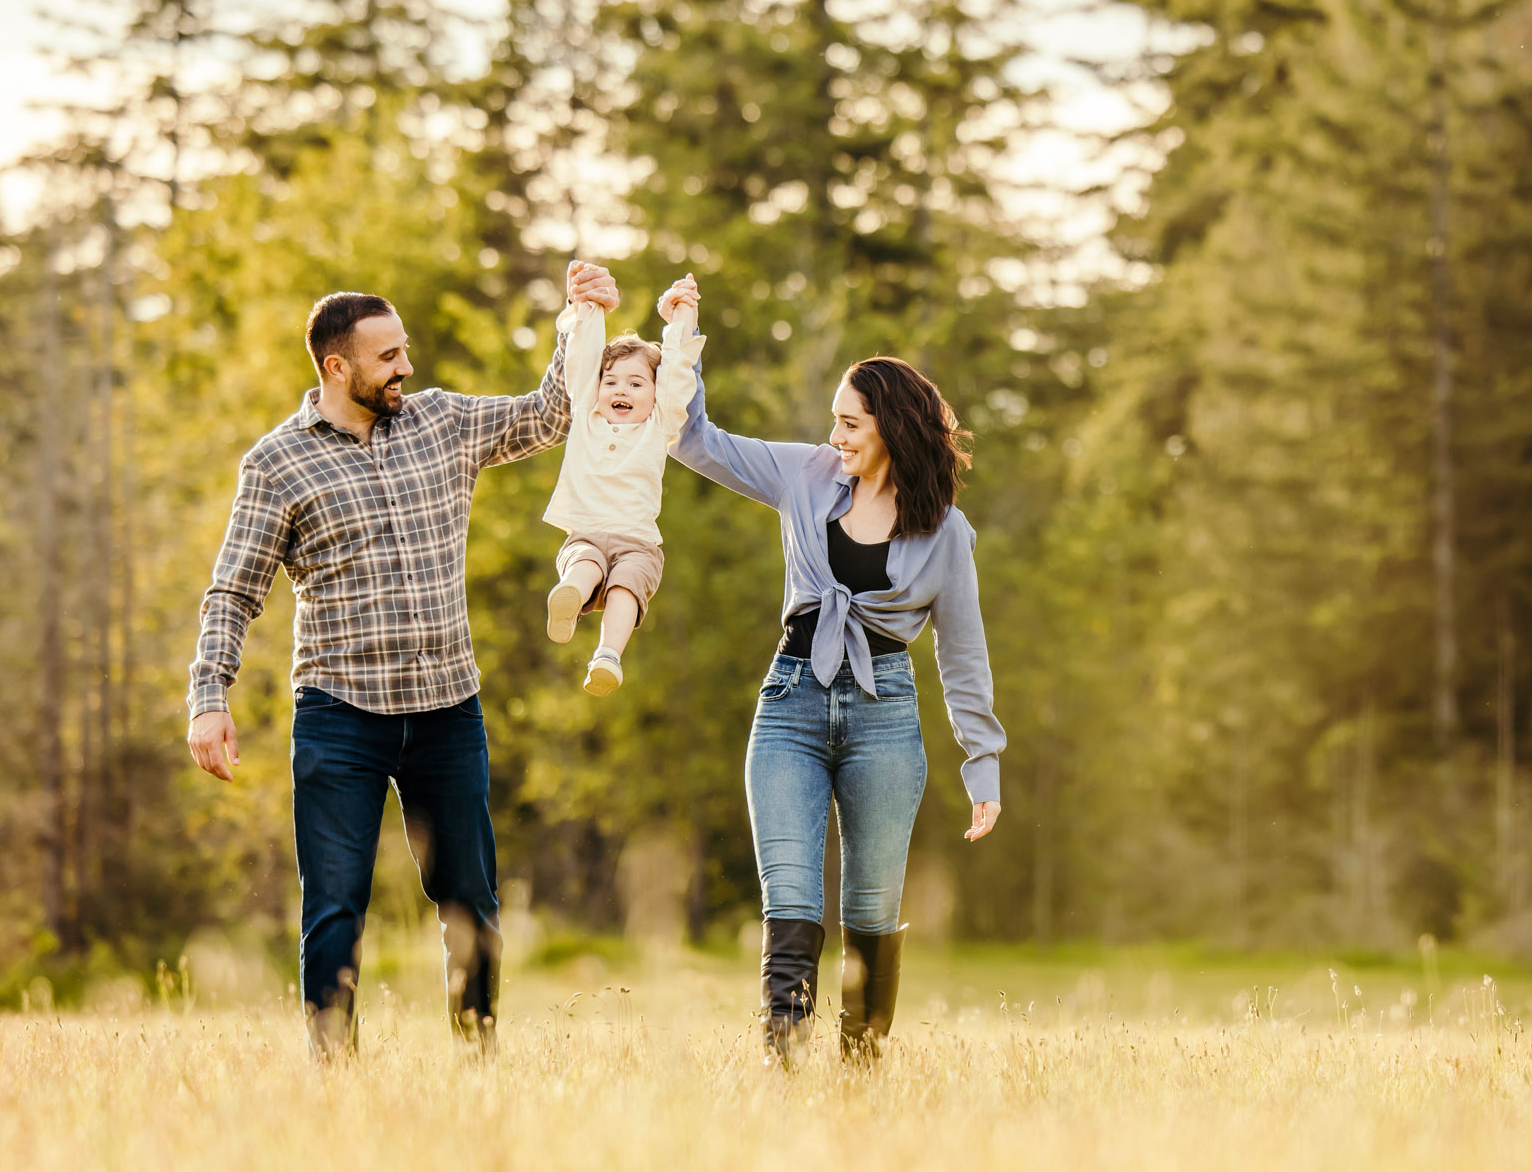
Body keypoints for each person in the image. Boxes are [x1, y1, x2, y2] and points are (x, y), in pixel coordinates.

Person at [185, 262, 622, 1058]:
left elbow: (548, 414)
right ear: (335, 366)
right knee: (336, 906)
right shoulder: (276, 464)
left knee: (471, 901)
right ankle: (334, 1070)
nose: (406, 368)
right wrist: (208, 695)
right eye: (388, 356)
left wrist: (577, 319)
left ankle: (479, 1056)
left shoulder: (442, 422)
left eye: (405, 350)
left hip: (447, 709)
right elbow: (231, 592)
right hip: (338, 715)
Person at [663, 277, 1004, 1065]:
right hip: (789, 702)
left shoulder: (947, 533)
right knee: (790, 899)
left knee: (871, 909)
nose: (836, 434)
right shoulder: (805, 474)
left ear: (891, 428)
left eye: (849, 422)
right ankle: (782, 1070)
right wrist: (683, 336)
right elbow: (695, 441)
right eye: (835, 422)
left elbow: (963, 653)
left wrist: (981, 760)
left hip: (885, 717)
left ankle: (860, 1077)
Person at [542, 273, 705, 696]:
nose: (621, 390)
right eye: (611, 382)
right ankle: (570, 596)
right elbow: (583, 357)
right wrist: (589, 306)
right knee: (588, 564)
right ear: (596, 389)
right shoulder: (586, 416)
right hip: (588, 531)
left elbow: (677, 372)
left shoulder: (659, 424)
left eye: (636, 384)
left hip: (637, 541)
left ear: (654, 392)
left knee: (626, 583)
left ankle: (606, 657)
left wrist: (682, 315)